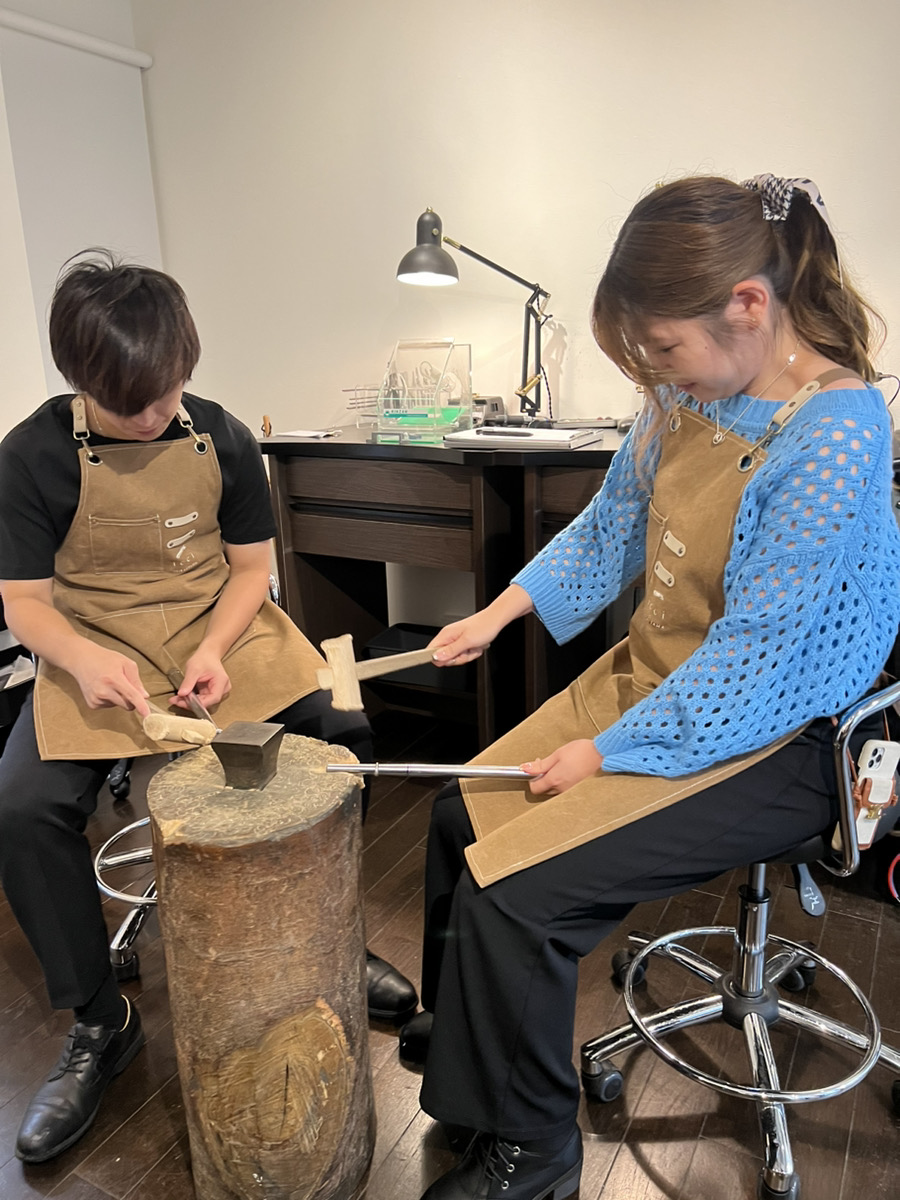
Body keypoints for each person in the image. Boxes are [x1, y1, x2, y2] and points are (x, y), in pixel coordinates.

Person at [397, 175, 900, 1200]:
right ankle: (470, 1064)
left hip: (778, 732)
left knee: (521, 895)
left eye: (663, 350)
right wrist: (499, 613)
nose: (658, 376)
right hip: (664, 683)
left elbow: (755, 657)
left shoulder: (836, 430)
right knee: (460, 811)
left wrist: (602, 753)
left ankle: (535, 1152)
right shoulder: (688, 396)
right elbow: (610, 525)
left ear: (747, 306)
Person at [0, 252, 416, 1165]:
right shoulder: (31, 455)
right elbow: (25, 602)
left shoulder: (221, 436)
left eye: (166, 393)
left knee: (343, 734)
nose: (154, 416)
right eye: (129, 406)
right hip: (94, 643)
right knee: (22, 807)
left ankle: (332, 942)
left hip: (214, 627)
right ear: (80, 379)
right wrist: (81, 658)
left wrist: (214, 650)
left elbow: (252, 571)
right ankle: (99, 1021)